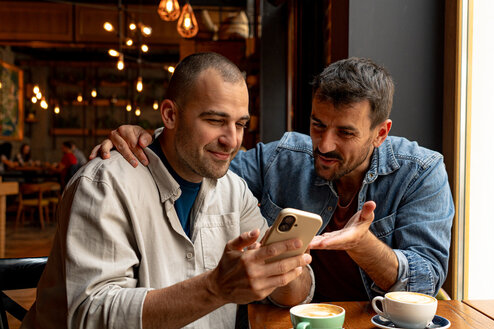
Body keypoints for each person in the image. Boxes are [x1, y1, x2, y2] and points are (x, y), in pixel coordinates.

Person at [9, 53, 312, 329]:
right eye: (215, 120)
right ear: (169, 115)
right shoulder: (103, 186)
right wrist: (216, 288)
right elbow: (92, 325)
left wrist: (286, 268)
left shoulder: (234, 190)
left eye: (240, 124)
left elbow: (293, 292)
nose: (232, 140)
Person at [92, 57, 455, 302]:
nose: (324, 145)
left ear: (380, 133)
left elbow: (426, 282)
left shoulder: (421, 172)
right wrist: (152, 139)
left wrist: (361, 245)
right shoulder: (280, 158)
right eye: (317, 125)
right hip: (285, 328)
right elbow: (202, 167)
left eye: (345, 133)